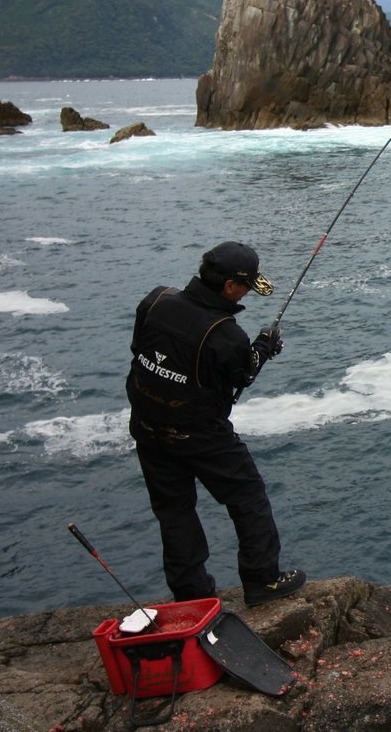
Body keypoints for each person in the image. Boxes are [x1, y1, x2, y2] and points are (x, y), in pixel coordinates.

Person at [126, 241, 305, 606]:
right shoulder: (226, 335)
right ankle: (262, 580)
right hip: (200, 434)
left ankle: (191, 593)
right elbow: (243, 374)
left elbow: (138, 350)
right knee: (247, 496)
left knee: (174, 510)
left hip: (147, 428)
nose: (248, 293)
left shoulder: (156, 300)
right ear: (229, 287)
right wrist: (263, 347)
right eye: (247, 286)